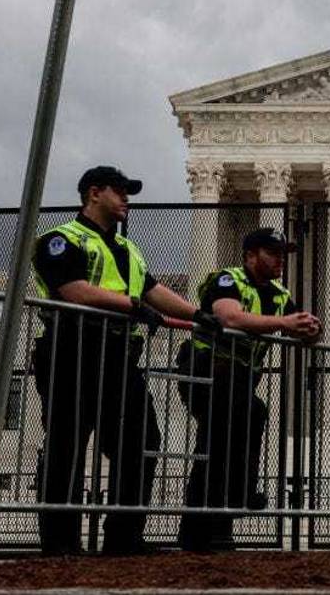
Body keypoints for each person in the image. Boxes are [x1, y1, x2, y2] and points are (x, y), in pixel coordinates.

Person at [31, 165, 221, 556]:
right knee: (67, 443)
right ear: (94, 193)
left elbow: (152, 290)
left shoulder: (128, 248)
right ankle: (59, 541)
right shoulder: (61, 240)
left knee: (142, 440)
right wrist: (130, 305)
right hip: (73, 350)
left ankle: (123, 535)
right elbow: (73, 290)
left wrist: (197, 315)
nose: (126, 200)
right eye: (119, 192)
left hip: (119, 358)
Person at [176, 227, 322, 551]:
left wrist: (311, 329)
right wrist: (285, 324)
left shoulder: (278, 294)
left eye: (283, 254)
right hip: (207, 369)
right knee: (231, 430)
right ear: (251, 255)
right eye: (273, 253)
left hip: (239, 379)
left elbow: (302, 329)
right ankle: (227, 506)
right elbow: (229, 318)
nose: (280, 260)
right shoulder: (229, 280)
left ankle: (214, 524)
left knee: (228, 437)